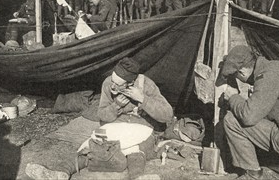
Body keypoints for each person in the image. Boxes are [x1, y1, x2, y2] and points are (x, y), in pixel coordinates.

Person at [25, 57, 174, 180]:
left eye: (118, 84)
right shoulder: (109, 83)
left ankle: (137, 177)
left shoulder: (146, 85)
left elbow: (167, 114)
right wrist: (115, 106)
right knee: (93, 145)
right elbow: (102, 115)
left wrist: (142, 99)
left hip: (143, 127)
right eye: (113, 82)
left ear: (130, 83)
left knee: (135, 149)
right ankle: (60, 173)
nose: (113, 86)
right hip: (117, 125)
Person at [220, 45, 279, 179]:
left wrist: (233, 97)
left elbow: (249, 117)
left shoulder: (268, 76)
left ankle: (253, 174)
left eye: (235, 75)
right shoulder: (275, 67)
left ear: (242, 72)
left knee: (232, 120)